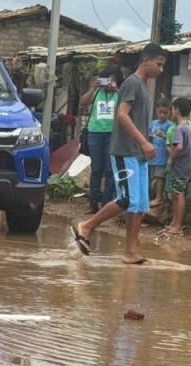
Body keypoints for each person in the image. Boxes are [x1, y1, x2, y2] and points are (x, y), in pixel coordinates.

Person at [70, 43, 168, 265]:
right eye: (159, 65)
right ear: (146, 61)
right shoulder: (132, 84)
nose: (160, 70)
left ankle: (131, 251)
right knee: (126, 198)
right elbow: (122, 116)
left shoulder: (143, 86)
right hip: (126, 151)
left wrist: (146, 141)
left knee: (140, 204)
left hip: (139, 153)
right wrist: (143, 142)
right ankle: (87, 226)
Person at [77, 67, 121, 214]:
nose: (109, 83)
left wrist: (117, 89)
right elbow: (83, 102)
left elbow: (126, 107)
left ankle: (106, 203)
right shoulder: (97, 92)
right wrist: (93, 88)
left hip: (112, 134)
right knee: (96, 169)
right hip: (95, 133)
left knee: (109, 169)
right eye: (107, 79)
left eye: (112, 79)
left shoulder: (118, 95)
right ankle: (93, 202)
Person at [162, 97, 191, 236]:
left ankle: (178, 225)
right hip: (185, 166)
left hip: (179, 167)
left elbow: (179, 147)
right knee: (176, 194)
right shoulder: (188, 127)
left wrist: (171, 157)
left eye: (173, 108)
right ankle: (175, 223)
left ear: (177, 110)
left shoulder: (179, 129)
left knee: (178, 195)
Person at [147, 103, 173, 207]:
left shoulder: (170, 125)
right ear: (156, 112)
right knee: (150, 176)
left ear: (169, 113)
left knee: (160, 177)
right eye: (160, 112)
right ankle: (149, 197)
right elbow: (148, 135)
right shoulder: (153, 123)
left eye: (165, 113)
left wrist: (163, 135)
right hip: (151, 155)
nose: (162, 115)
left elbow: (172, 139)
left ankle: (159, 198)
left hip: (162, 156)